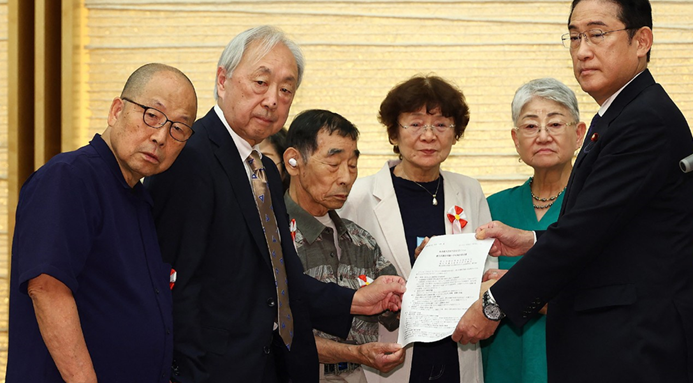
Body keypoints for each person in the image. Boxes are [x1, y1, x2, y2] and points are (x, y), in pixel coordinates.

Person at [453, 0, 693, 383]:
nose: (583, 51)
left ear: (641, 40)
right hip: (618, 346)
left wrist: (494, 305)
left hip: (639, 349)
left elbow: (581, 236)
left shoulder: (644, 121)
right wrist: (534, 239)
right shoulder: (616, 117)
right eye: (574, 38)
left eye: (597, 34)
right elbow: (605, 228)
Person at [144, 26, 406, 383]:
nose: (272, 100)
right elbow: (172, 287)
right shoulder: (189, 157)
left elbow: (279, 280)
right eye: (260, 83)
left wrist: (357, 300)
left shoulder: (264, 167)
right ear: (222, 80)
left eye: (286, 90)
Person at [6, 63, 198, 383]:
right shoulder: (70, 177)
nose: (161, 136)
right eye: (152, 115)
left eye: (178, 128)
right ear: (116, 110)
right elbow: (48, 288)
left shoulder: (138, 198)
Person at [340, 74, 494, 383]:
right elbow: (343, 278)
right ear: (394, 133)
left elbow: (488, 268)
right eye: (415, 123)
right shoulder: (358, 196)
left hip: (457, 349)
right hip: (390, 354)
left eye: (440, 124)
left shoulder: (469, 190)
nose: (428, 135)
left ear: (455, 133)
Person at [283, 109, 405, 382]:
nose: (346, 178)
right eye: (333, 163)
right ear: (294, 161)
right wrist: (356, 353)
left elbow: (399, 311)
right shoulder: (271, 237)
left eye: (352, 165)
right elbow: (277, 333)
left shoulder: (361, 241)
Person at [479, 78, 584, 383]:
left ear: (579, 134)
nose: (542, 136)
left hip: (576, 362)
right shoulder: (491, 209)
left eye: (554, 124)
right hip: (501, 365)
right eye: (530, 127)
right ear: (515, 138)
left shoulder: (594, 208)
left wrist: (517, 288)